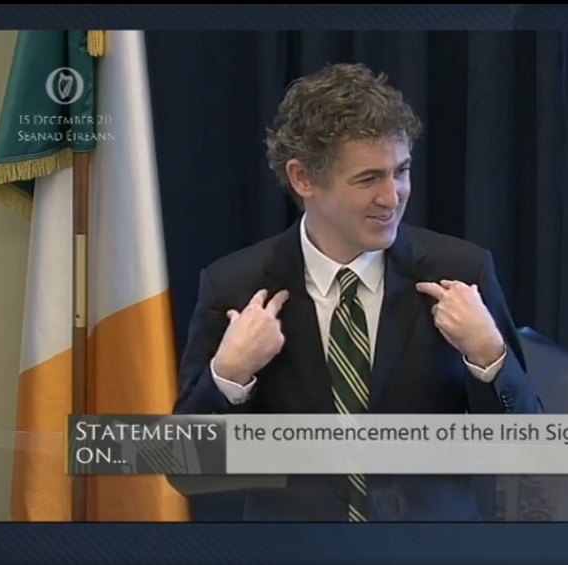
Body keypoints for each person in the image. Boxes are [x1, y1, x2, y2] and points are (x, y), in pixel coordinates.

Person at [172, 62, 544, 521]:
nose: (393, 197)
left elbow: (528, 452)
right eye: (369, 179)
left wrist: (490, 356)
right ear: (303, 178)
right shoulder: (235, 286)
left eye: (401, 171)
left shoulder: (462, 272)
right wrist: (229, 374)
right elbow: (187, 471)